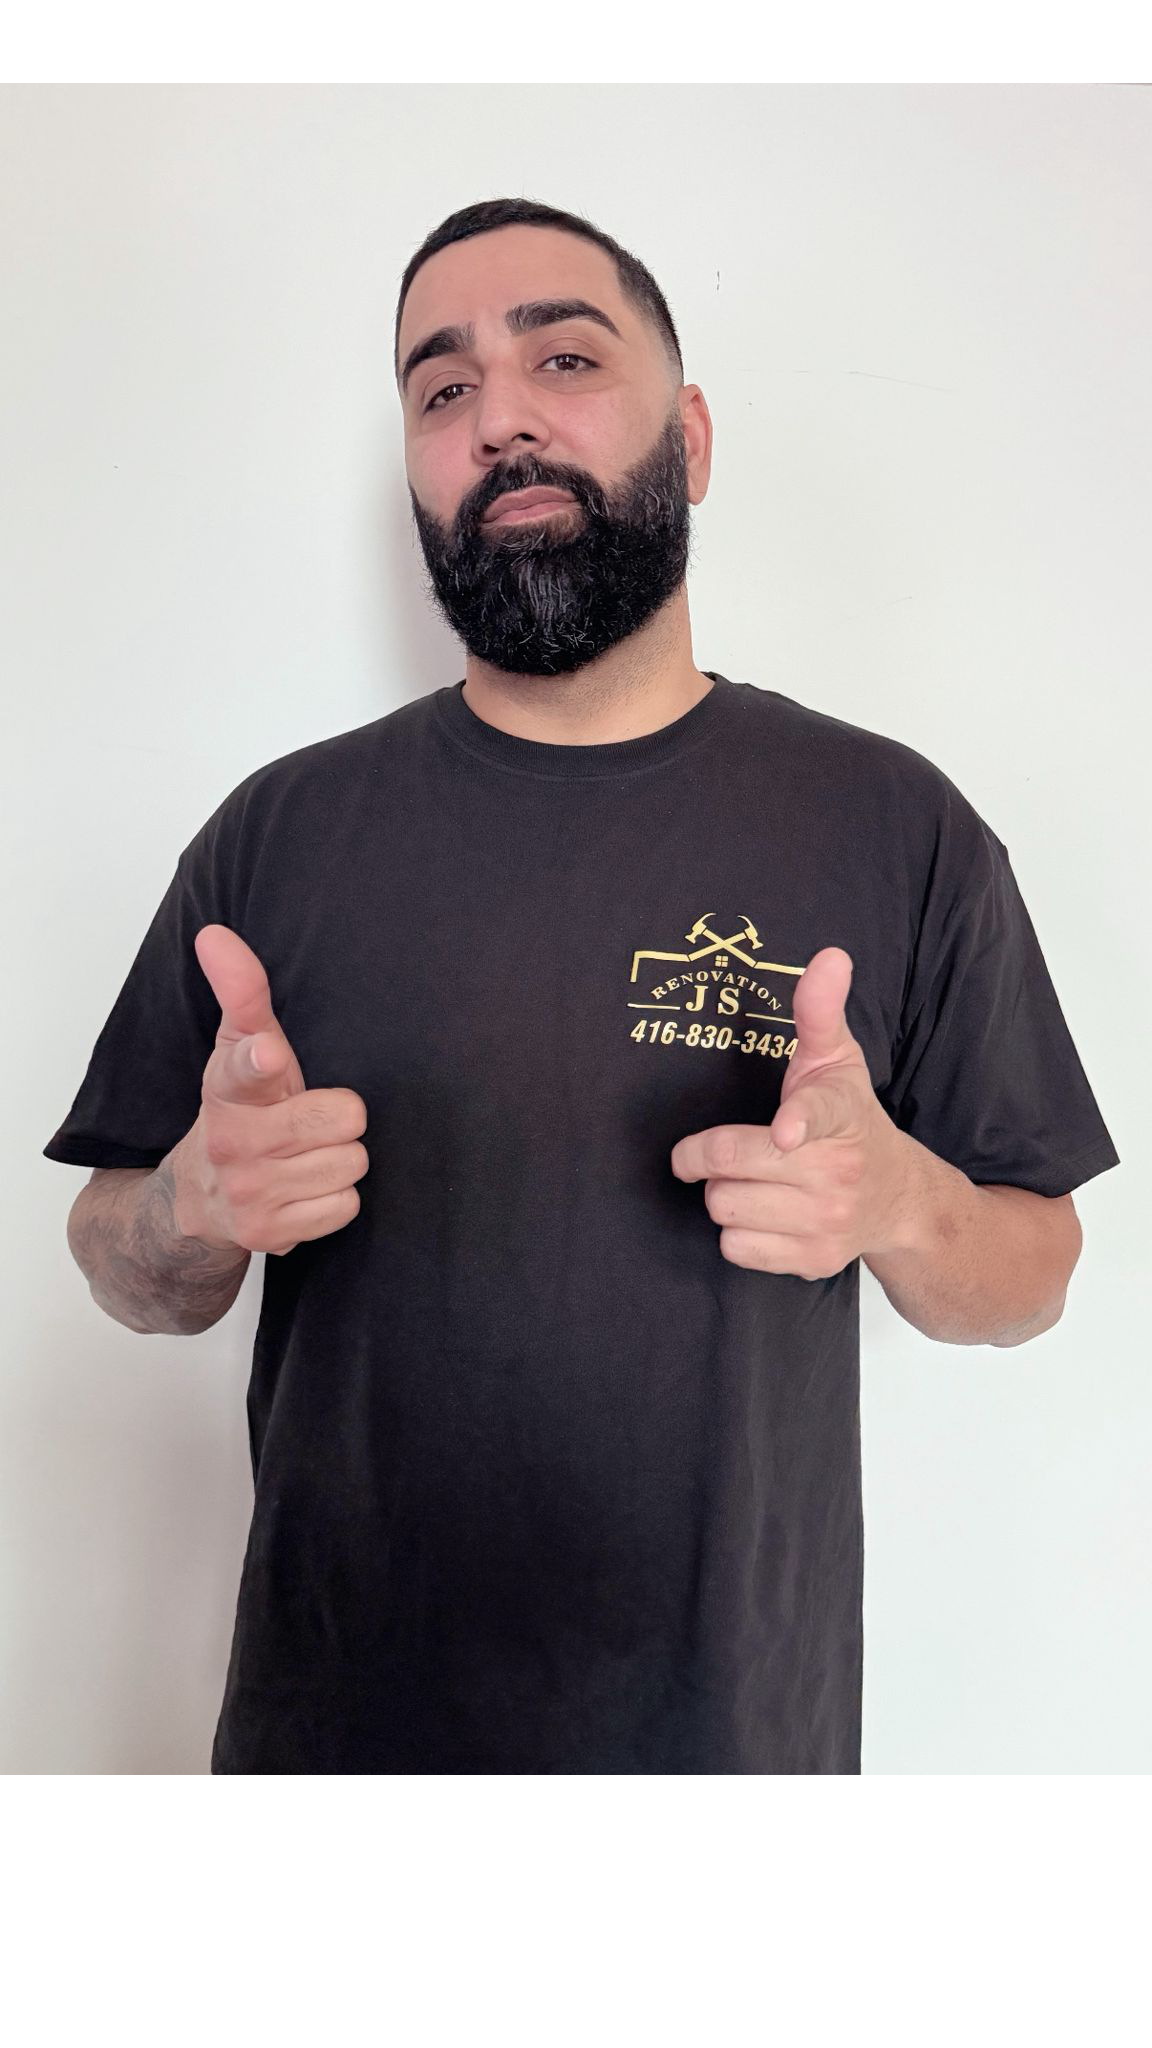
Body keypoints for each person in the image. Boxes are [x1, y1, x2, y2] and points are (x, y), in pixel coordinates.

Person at [43, 197, 1120, 1774]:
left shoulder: (894, 825)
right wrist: (188, 1211)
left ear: (692, 436)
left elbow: (1036, 1272)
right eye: (443, 388)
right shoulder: (277, 836)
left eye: (564, 358)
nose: (501, 419)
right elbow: (119, 1254)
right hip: (330, 1763)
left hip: (731, 1766)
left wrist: (899, 1203)